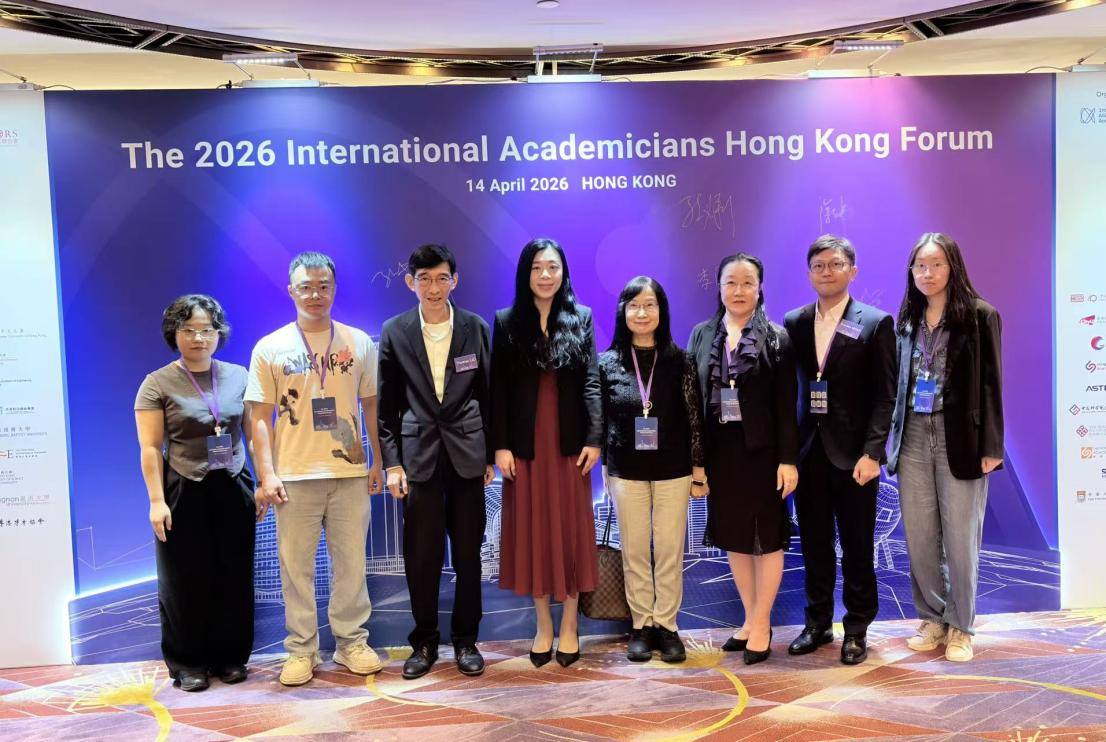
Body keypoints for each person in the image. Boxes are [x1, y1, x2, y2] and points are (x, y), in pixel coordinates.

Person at [246, 251, 385, 687]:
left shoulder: (358, 343)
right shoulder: (270, 347)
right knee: (296, 569)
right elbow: (258, 418)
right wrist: (267, 474)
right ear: (291, 291)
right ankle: (301, 650)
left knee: (351, 566)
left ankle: (351, 643)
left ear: (334, 289)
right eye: (306, 287)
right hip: (293, 475)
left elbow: (372, 406)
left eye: (324, 286)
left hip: (350, 473)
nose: (315, 294)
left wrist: (379, 461)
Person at [377, 244, 494, 679]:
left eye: (441, 278)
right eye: (424, 279)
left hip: (467, 455)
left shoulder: (475, 327)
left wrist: (490, 454)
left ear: (454, 281)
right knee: (421, 556)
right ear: (411, 282)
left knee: (468, 554)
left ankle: (466, 640)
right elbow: (386, 406)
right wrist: (392, 463)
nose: (433, 287)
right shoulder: (395, 330)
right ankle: (424, 641)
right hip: (418, 459)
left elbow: (489, 395)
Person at [887, 232, 1003, 663]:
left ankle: (961, 626)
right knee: (920, 537)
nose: (928, 273)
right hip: (913, 436)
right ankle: (932, 617)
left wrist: (992, 445)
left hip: (962, 438)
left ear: (952, 267)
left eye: (936, 264)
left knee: (960, 538)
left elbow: (992, 384)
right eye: (920, 265)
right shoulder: (906, 320)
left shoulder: (980, 315)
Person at [783, 235, 897, 666]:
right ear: (809, 273)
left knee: (857, 546)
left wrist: (873, 453)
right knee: (813, 545)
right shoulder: (794, 321)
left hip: (856, 459)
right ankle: (817, 624)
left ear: (853, 270)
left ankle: (857, 628)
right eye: (818, 266)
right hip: (808, 453)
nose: (826, 272)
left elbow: (885, 395)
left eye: (835, 264)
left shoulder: (875, 323)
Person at [135, 294, 256, 692]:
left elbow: (254, 434)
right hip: (183, 487)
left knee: (234, 573)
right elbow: (150, 448)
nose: (199, 338)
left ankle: (230, 657)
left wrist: (264, 481)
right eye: (188, 330)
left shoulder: (239, 375)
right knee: (184, 578)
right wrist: (156, 501)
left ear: (219, 333)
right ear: (175, 334)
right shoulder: (157, 383)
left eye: (207, 329)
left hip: (234, 483)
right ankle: (189, 663)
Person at [491, 237, 601, 669]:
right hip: (525, 446)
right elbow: (498, 389)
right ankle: (543, 625)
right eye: (537, 267)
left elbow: (591, 381)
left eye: (552, 267)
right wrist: (501, 445)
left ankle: (570, 624)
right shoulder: (506, 321)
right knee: (532, 530)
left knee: (570, 530)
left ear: (563, 272)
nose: (545, 275)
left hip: (570, 444)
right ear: (526, 273)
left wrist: (594, 438)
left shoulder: (581, 317)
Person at [687, 253, 799, 666]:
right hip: (722, 454)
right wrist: (698, 462)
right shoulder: (702, 335)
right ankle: (750, 619)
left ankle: (763, 623)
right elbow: (693, 401)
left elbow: (787, 404)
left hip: (765, 455)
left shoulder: (777, 337)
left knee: (766, 538)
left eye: (747, 282)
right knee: (735, 537)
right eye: (730, 282)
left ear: (760, 287)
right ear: (719, 287)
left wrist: (788, 459)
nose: (739, 290)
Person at [598, 276, 707, 664]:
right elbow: (600, 421)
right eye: (634, 305)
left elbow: (694, 418)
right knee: (635, 552)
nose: (642, 313)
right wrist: (604, 468)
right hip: (625, 471)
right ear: (623, 312)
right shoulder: (607, 363)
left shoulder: (680, 360)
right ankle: (642, 625)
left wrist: (699, 470)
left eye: (650, 305)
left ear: (662, 311)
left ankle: (667, 625)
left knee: (668, 551)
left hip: (674, 470)